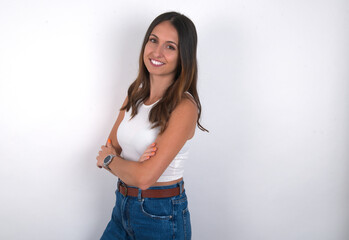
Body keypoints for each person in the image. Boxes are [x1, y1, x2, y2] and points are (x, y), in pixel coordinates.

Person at [96, 11, 207, 240]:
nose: (157, 52)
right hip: (122, 207)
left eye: (170, 46)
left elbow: (143, 177)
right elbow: (110, 147)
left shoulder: (184, 107)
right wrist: (126, 165)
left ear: (183, 55)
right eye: (153, 40)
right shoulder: (134, 95)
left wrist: (113, 161)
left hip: (161, 216)